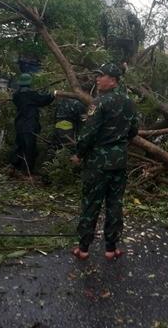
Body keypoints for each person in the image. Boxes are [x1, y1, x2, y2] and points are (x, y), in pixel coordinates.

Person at [70, 63, 138, 261]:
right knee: (114, 204)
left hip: (98, 163)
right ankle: (111, 248)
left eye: (102, 76)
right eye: (97, 76)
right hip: (119, 162)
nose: (97, 79)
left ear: (114, 80)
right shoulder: (129, 102)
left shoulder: (99, 102)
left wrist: (79, 154)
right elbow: (134, 130)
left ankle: (83, 248)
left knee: (91, 204)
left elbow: (88, 133)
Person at [11, 73, 56, 178]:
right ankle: (27, 171)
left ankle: (15, 167)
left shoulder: (16, 95)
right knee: (30, 148)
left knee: (19, 146)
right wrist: (53, 94)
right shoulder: (31, 94)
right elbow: (43, 100)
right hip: (29, 125)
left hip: (19, 124)